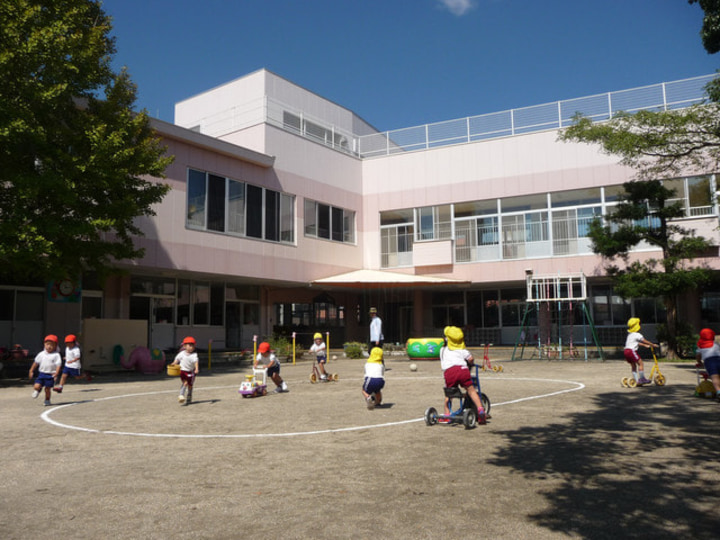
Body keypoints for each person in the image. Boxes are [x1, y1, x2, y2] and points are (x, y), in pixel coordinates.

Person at [439, 326, 487, 424]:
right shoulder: (462, 350)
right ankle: (480, 410)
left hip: (450, 372)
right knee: (471, 390)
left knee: (449, 394)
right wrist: (470, 363)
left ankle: (447, 415)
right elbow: (470, 359)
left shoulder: (442, 350)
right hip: (463, 370)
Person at [29, 335, 62, 406]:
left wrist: (56, 373)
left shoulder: (56, 355)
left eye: (51, 345)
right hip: (42, 374)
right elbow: (36, 363)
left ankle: (47, 400)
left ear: (55, 346)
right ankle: (38, 390)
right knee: (36, 386)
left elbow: (58, 365)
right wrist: (31, 370)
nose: (49, 346)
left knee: (47, 389)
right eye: (47, 344)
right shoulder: (41, 354)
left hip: (50, 375)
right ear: (44, 344)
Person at [624, 318, 658, 385]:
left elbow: (635, 343)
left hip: (626, 351)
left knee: (633, 366)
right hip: (632, 351)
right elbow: (644, 340)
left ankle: (636, 381)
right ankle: (642, 379)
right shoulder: (638, 335)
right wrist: (652, 344)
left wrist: (644, 345)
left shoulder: (630, 335)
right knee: (641, 363)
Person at [171, 336, 199, 404]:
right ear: (184, 346)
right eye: (190, 345)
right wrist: (174, 363)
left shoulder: (194, 355)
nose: (191, 347)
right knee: (184, 383)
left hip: (190, 372)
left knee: (189, 385)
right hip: (182, 371)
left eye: (193, 346)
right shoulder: (181, 354)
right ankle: (181, 395)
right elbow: (177, 359)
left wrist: (197, 369)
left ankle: (189, 395)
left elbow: (196, 362)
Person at [696, 328, 720, 400]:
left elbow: (698, 356)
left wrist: (699, 362)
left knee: (714, 377)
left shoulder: (701, 346)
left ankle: (719, 392)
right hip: (719, 359)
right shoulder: (716, 344)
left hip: (709, 362)